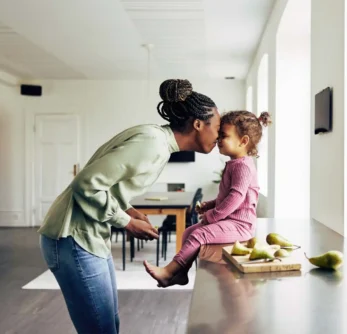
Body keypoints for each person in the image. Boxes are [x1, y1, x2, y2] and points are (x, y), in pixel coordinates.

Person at [38, 79, 221, 334]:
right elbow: (86, 184)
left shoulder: (157, 140)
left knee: (108, 324)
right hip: (73, 237)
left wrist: (129, 210)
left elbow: (109, 185)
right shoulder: (152, 143)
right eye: (218, 127)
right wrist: (125, 222)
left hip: (86, 237)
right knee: (100, 329)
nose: (220, 136)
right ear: (198, 124)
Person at [144, 110, 272, 288]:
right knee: (188, 232)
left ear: (243, 141)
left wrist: (213, 215)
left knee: (199, 234)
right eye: (219, 135)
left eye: (224, 136)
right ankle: (181, 273)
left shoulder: (243, 167)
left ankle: (169, 271)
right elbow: (228, 196)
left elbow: (236, 197)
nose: (218, 139)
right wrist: (210, 205)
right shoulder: (235, 164)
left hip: (241, 225)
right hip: (230, 220)